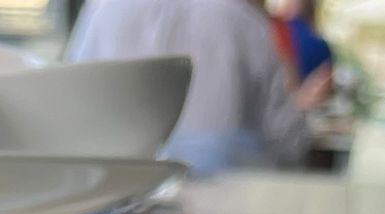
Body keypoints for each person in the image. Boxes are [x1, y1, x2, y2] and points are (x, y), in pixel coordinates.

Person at [67, 0, 310, 166]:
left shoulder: (102, 12)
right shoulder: (243, 22)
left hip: (112, 210)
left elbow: (72, 113)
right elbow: (289, 140)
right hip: (223, 211)